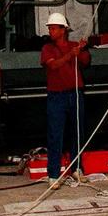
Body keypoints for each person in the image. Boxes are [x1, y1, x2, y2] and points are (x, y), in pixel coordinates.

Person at [40, 11, 91, 187]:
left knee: (78, 132)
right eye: (50, 28)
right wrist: (70, 54)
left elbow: (85, 61)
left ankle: (77, 168)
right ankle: (53, 174)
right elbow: (53, 65)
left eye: (54, 28)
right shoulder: (47, 49)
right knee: (56, 134)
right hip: (57, 96)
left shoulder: (74, 45)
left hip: (75, 94)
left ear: (63, 30)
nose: (50, 31)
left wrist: (81, 50)